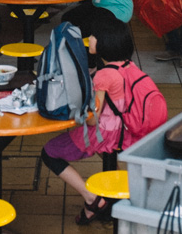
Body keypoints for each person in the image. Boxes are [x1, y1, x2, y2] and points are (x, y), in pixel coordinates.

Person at [41, 16, 159, 226]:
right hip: (130, 132)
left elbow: (94, 118)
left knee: (49, 152)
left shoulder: (104, 76)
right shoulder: (129, 66)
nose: (90, 39)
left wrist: (76, 110)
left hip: (105, 133)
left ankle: (92, 199)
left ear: (104, 42)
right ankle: (111, 201)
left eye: (93, 35)